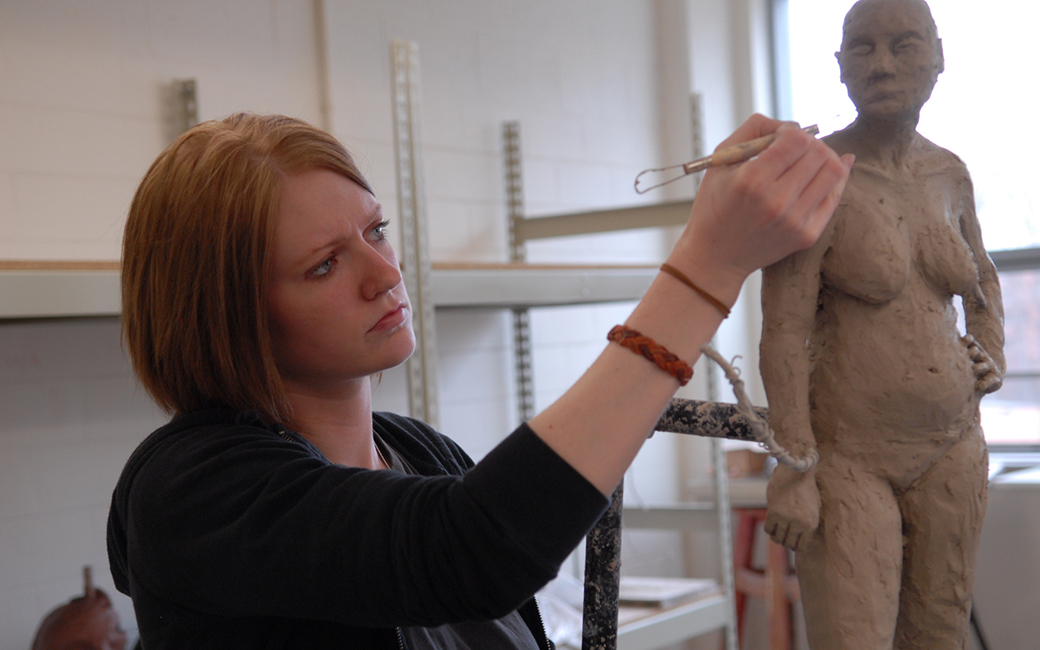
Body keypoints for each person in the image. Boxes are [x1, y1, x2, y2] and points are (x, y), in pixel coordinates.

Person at [107, 111, 852, 648]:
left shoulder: (420, 453)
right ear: (228, 314)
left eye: (375, 231)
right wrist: (706, 269)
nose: (384, 274)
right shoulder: (191, 492)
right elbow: (474, 551)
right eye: (325, 264)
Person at [760, 0, 1004, 647]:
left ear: (938, 56)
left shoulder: (951, 173)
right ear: (839, 67)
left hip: (953, 445)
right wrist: (793, 469)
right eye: (863, 48)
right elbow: (782, 330)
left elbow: (983, 280)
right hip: (849, 458)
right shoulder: (820, 177)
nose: (884, 64)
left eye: (904, 44)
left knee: (940, 633)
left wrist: (990, 353)